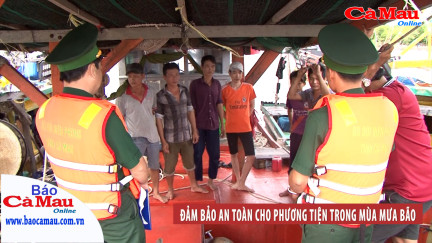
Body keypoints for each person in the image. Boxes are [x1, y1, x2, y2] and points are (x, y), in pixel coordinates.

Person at [35, 23, 149, 243]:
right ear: (90, 69)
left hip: (73, 212)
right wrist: (143, 176)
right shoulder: (103, 116)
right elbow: (141, 172)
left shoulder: (44, 110)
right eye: (99, 66)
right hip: (112, 216)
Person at [288, 23, 399, 243]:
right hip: (366, 221)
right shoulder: (388, 108)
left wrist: (296, 185)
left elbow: (297, 182)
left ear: (330, 72)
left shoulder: (324, 114)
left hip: (327, 224)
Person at [366, 68, 432, 243]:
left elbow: (347, 107)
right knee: (403, 240)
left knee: (362, 238)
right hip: (420, 185)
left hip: (407, 190)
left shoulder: (387, 97)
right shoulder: (399, 90)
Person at [116, 63, 168, 203]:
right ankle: (136, 194)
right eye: (130, 77)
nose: (132, 80)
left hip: (152, 136)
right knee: (135, 168)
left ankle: (156, 192)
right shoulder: (122, 97)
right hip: (134, 137)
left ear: (142, 77)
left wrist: (161, 137)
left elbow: (155, 112)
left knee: (154, 166)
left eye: (136, 76)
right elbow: (120, 120)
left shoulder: (151, 92)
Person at [155, 62, 208, 199]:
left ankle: (194, 185)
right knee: (169, 167)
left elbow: (190, 110)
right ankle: (170, 190)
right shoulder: (161, 95)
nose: (175, 78)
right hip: (170, 138)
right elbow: (159, 119)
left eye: (177, 75)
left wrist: (194, 130)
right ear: (165, 77)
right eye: (171, 75)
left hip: (186, 135)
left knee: (190, 163)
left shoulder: (185, 90)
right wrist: (163, 140)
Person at [189, 55, 225, 190]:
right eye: (207, 66)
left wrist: (223, 124)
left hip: (213, 125)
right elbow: (190, 107)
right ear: (202, 68)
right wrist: (193, 129)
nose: (210, 69)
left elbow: (219, 103)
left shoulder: (217, 84)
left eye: (212, 66)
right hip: (199, 125)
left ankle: (211, 180)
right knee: (197, 153)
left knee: (214, 154)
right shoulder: (195, 85)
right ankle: (197, 181)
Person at [222, 62, 256, 192]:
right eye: (234, 72)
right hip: (231, 127)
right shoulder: (224, 90)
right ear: (230, 73)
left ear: (242, 74)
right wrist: (227, 117)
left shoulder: (249, 87)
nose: (237, 75)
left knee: (251, 156)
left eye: (239, 72)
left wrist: (246, 115)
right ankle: (238, 181)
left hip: (245, 127)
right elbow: (220, 106)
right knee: (233, 154)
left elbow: (252, 104)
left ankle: (241, 182)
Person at [279, 70, 307, 197]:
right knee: (293, 161)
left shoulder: (310, 95)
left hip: (307, 135)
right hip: (296, 133)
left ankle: (304, 190)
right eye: (293, 82)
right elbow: (289, 110)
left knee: (306, 163)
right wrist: (291, 125)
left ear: (304, 83)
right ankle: (290, 188)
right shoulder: (290, 95)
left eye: (299, 81)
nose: (296, 85)